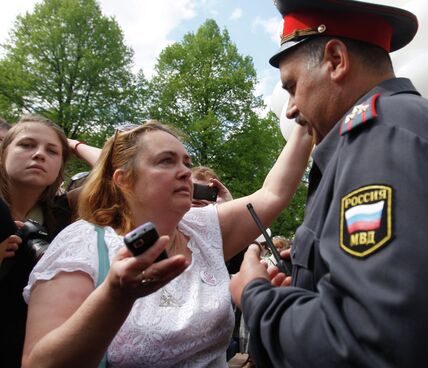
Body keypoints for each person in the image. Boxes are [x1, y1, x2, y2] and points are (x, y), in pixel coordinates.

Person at [230, 1, 428, 367]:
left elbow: (374, 343)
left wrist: (255, 296)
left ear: (336, 59)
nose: (290, 108)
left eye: (292, 86)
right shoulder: (396, 130)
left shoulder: (384, 141)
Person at [22, 120, 312, 367]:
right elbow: (39, 363)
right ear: (124, 180)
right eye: (166, 161)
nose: (186, 171)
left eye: (186, 162)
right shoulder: (82, 243)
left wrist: (303, 117)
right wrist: (115, 295)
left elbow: (273, 193)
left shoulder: (203, 228)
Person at [0, 114, 73, 367]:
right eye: (26, 145)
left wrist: (71, 145)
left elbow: (125, 172)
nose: (39, 154)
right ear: (3, 153)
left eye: (52, 151)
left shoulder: (65, 213)